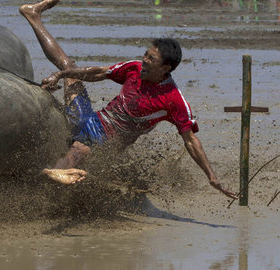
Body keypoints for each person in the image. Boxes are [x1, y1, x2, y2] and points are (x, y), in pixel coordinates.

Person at [19, 0, 238, 199]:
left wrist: (211, 176)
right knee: (70, 69)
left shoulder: (173, 100)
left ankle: (45, 180)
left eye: (151, 59)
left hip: (106, 141)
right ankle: (33, 15)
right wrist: (61, 75)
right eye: (146, 54)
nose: (144, 60)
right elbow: (97, 73)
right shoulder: (134, 68)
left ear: (166, 68)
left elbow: (190, 140)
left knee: (78, 150)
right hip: (89, 118)